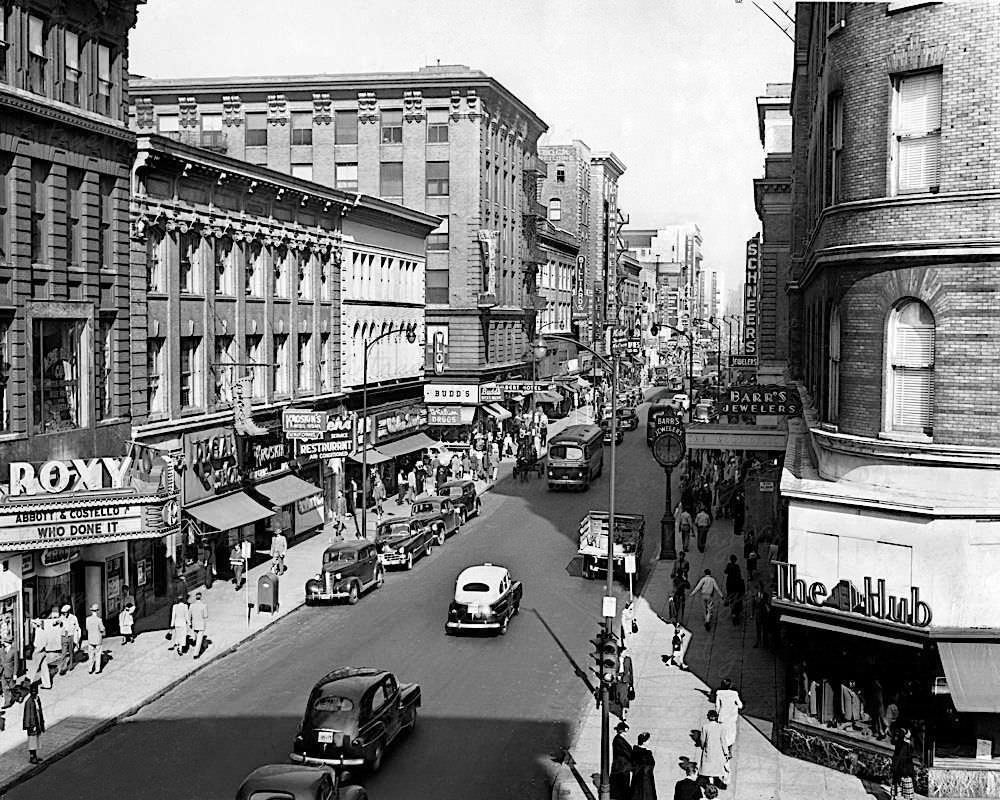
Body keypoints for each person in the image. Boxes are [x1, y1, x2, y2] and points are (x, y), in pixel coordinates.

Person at [698, 709, 729, 790]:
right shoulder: (721, 727)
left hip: (709, 750)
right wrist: (726, 752)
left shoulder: (705, 727)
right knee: (717, 768)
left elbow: (702, 739)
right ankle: (719, 783)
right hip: (718, 751)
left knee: (709, 769)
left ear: (708, 717)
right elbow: (723, 741)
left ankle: (711, 784)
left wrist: (703, 746)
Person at [716, 678, 744, 756]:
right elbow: (740, 705)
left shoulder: (719, 693)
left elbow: (717, 706)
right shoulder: (734, 694)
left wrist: (718, 714)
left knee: (722, 735)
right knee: (731, 736)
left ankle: (722, 751)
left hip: (722, 718)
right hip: (731, 719)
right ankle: (729, 751)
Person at [629, 732, 657, 800]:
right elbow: (649, 764)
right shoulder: (646, 753)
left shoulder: (635, 751)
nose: (649, 741)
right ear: (644, 742)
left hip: (639, 779)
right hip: (645, 779)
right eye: (648, 740)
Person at [610, 721, 634, 800]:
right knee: (623, 786)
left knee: (622, 786)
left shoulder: (619, 739)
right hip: (622, 767)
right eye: (625, 732)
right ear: (621, 731)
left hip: (622, 766)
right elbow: (626, 753)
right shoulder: (618, 740)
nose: (626, 734)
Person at [23, 681, 44, 764]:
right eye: (33, 691)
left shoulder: (37, 699)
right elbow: (27, 715)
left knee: (36, 739)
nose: (34, 692)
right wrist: (30, 726)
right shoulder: (29, 702)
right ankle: (32, 757)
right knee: (32, 740)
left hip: (37, 720)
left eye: (35, 690)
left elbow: (39, 710)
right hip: (32, 723)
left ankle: (35, 755)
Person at [892, 727, 916, 800]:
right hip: (904, 768)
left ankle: (894, 796)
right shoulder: (904, 744)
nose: (910, 733)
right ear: (905, 735)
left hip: (900, 767)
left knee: (898, 784)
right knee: (906, 782)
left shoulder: (901, 742)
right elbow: (902, 757)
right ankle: (908, 797)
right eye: (909, 732)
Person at [57, 604, 80, 675]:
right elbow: (56, 622)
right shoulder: (61, 617)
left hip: (71, 636)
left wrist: (77, 639)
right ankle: (63, 668)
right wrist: (57, 622)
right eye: (63, 613)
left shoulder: (73, 618)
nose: (64, 614)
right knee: (63, 653)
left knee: (71, 651)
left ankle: (71, 665)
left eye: (65, 612)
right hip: (64, 636)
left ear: (68, 612)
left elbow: (77, 627)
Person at [723, 555, 745, 624]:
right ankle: (736, 613)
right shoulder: (737, 567)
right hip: (736, 585)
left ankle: (733, 612)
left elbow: (725, 572)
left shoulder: (729, 566)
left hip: (730, 584)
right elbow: (739, 575)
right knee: (737, 599)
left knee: (731, 597)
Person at [85, 604, 105, 675]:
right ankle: (97, 669)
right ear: (97, 611)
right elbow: (102, 629)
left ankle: (90, 669)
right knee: (98, 654)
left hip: (90, 639)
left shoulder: (87, 619)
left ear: (91, 611)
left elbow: (87, 628)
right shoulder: (99, 620)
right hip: (98, 639)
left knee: (90, 655)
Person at [189, 592, 208, 659]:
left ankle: (199, 646)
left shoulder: (192, 605)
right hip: (201, 625)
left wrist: (190, 623)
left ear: (195, 597)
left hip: (194, 625)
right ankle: (196, 654)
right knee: (199, 640)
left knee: (197, 638)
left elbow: (189, 616)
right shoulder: (204, 605)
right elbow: (205, 616)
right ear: (201, 597)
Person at [0, 637, 17, 708]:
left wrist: (15, 674)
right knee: (4, 687)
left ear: (8, 643)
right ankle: (7, 702)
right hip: (2, 671)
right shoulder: (2, 650)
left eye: (5, 642)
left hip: (10, 671)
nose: (3, 643)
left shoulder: (14, 651)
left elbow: (16, 663)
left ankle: (14, 695)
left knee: (11, 686)